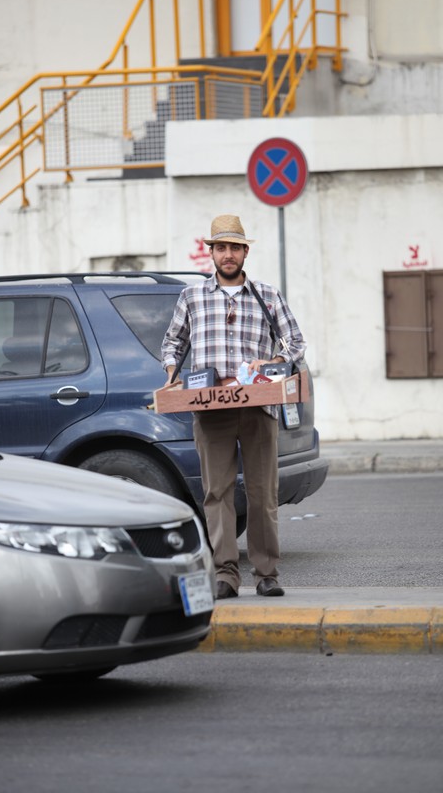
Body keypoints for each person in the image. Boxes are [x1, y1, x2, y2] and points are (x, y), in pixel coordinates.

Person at [161, 214, 306, 599]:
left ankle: (266, 573)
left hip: (258, 406)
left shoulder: (268, 295)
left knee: (262, 491)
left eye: (235, 248)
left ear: (245, 252)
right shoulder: (191, 297)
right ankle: (225, 574)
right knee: (216, 492)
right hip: (210, 407)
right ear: (211, 252)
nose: (228, 254)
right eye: (221, 247)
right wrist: (173, 372)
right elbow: (172, 343)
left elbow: (295, 343)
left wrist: (271, 362)